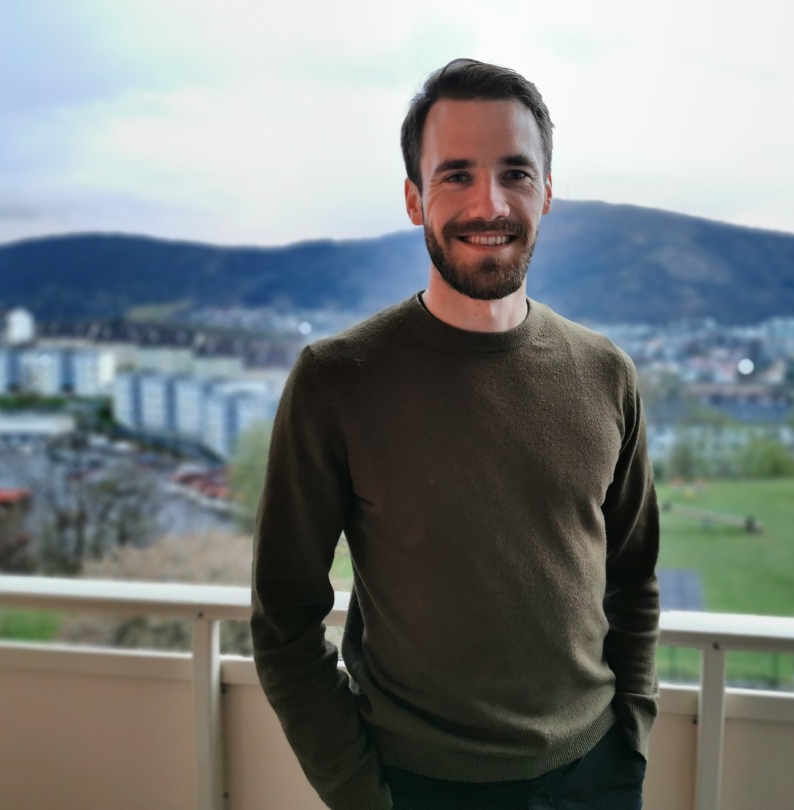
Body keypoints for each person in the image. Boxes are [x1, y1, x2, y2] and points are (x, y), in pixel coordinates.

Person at [251, 58, 660, 810]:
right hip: (417, 787)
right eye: (456, 175)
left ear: (546, 192)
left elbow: (633, 581)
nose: (489, 203)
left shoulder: (607, 374)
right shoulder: (337, 379)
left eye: (515, 173)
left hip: (594, 777)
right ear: (414, 198)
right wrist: (362, 794)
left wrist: (627, 745)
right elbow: (284, 621)